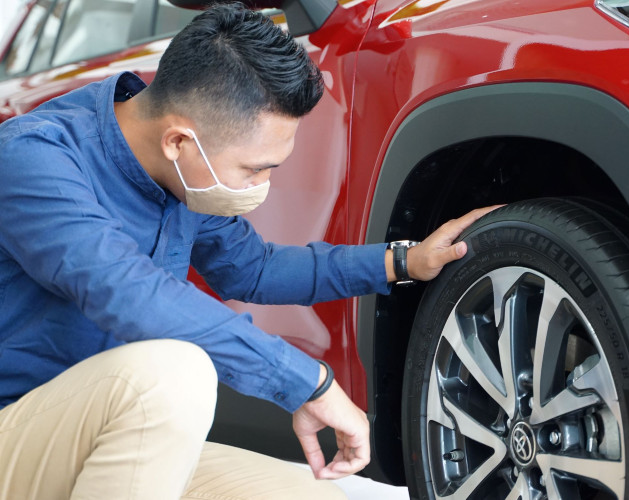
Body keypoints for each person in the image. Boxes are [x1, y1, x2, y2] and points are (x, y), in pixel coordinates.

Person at [0, 2, 496, 499]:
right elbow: (129, 293)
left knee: (314, 496)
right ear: (179, 141)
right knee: (175, 373)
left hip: (124, 435)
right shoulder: (33, 159)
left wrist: (404, 260)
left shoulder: (180, 171)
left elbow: (253, 270)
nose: (261, 186)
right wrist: (308, 382)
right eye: (254, 169)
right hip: (19, 433)